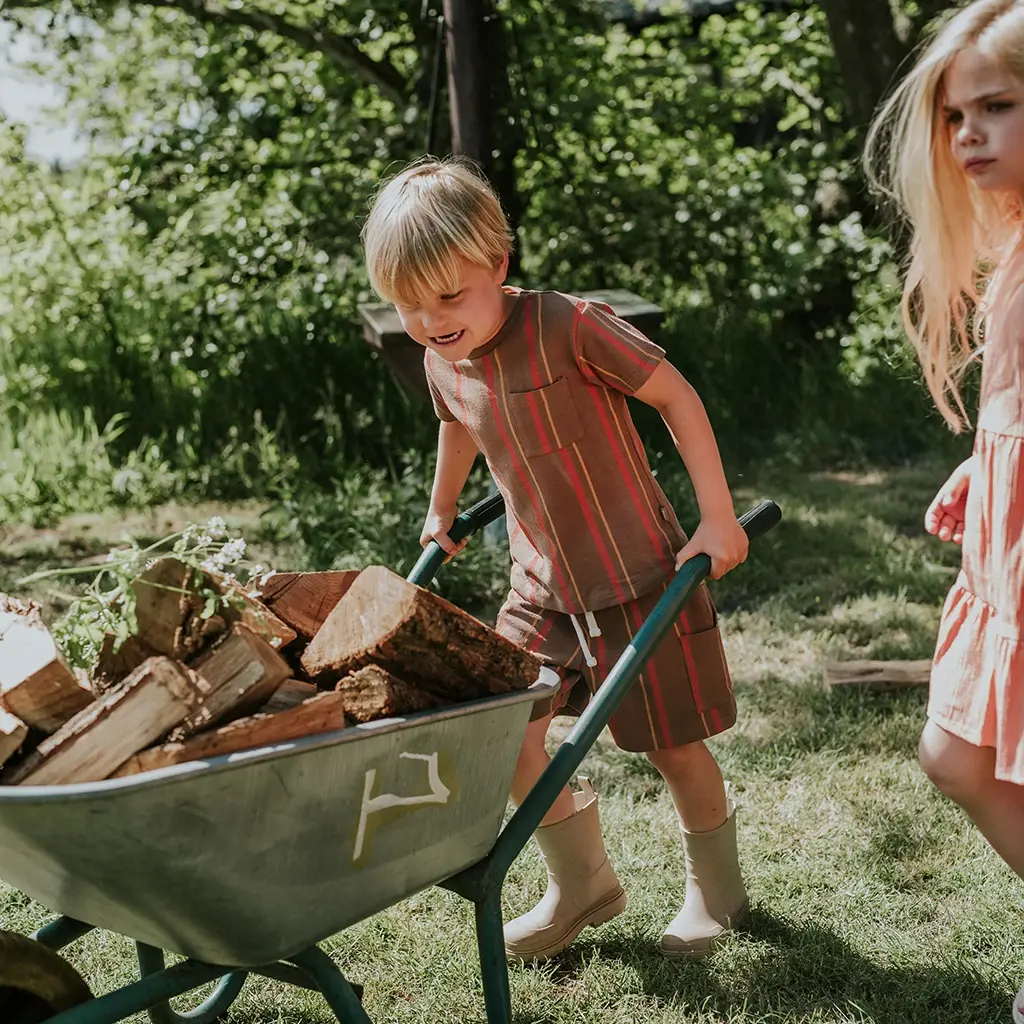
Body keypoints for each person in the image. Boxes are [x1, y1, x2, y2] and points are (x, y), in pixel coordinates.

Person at [361, 157, 751, 962]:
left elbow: (676, 395)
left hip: (641, 575)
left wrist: (717, 517)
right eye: (407, 304)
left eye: (448, 296)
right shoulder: (443, 353)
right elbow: (457, 421)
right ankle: (582, 884)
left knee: (671, 746)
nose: (430, 321)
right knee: (506, 732)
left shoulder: (570, 326)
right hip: (540, 588)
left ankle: (719, 895)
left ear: (498, 266)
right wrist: (441, 508)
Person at [865, 1, 1024, 1018]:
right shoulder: (1014, 240)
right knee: (958, 750)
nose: (966, 135)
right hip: (1003, 542)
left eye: (997, 107)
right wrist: (986, 463)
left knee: (959, 751)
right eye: (954, 116)